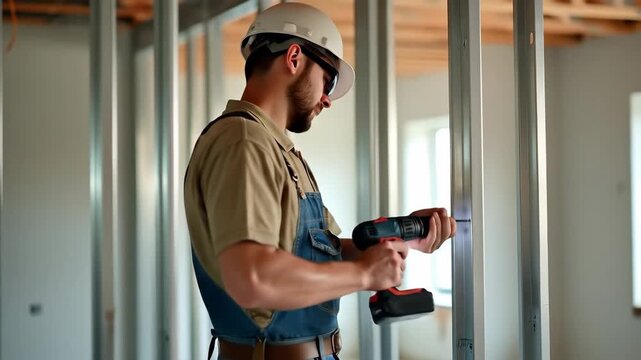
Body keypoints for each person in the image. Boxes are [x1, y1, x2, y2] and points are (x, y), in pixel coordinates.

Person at [183, 3, 456, 360]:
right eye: (327, 80)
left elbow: (303, 252)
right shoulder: (244, 142)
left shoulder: (275, 149)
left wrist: (394, 240)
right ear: (294, 58)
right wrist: (361, 274)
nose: (327, 99)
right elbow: (252, 278)